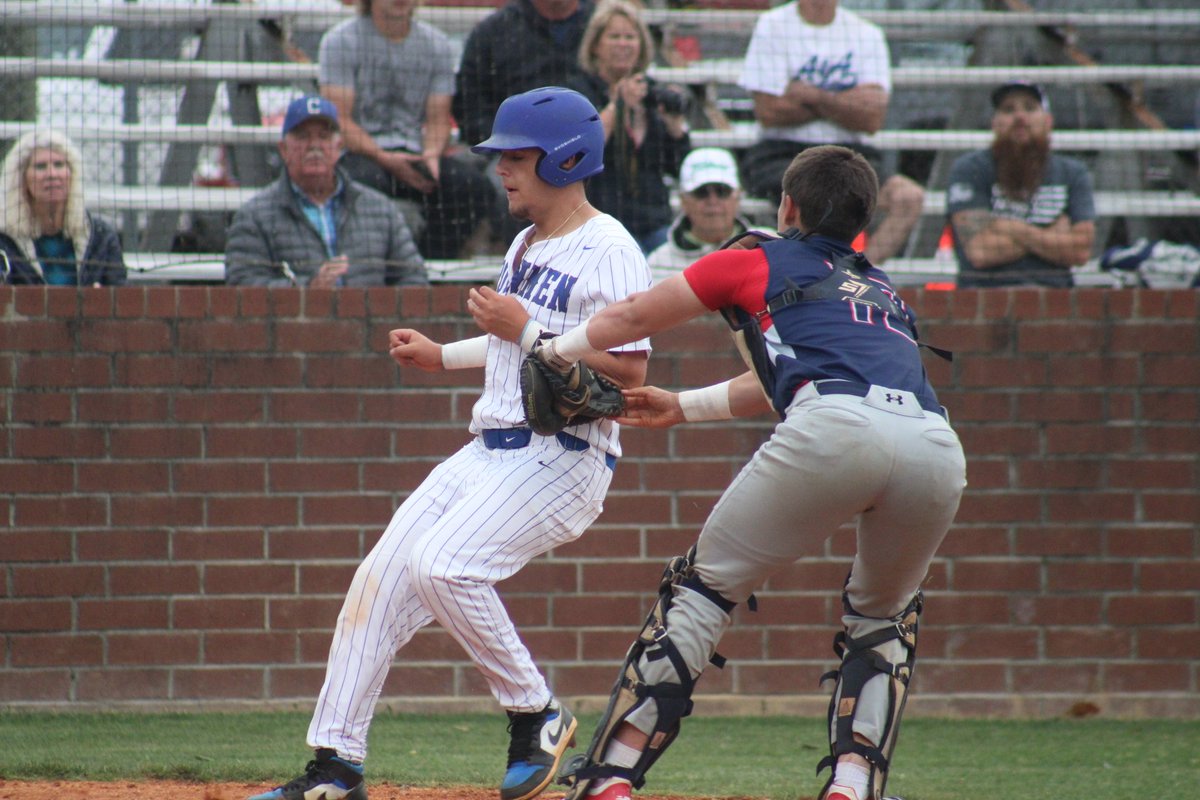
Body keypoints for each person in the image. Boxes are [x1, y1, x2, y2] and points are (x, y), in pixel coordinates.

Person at [245, 87, 651, 800]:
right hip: (489, 448)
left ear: (566, 158)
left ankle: (537, 715)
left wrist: (522, 329)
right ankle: (335, 768)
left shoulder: (609, 246)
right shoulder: (527, 242)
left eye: (518, 157)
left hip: (563, 453)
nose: (502, 169)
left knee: (446, 564)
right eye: (502, 157)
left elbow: (629, 368)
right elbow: (511, 345)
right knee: (378, 582)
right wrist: (444, 355)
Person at [538, 145, 967, 800]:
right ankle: (853, 786)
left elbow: (627, 320)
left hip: (835, 430)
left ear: (787, 207)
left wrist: (551, 349)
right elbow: (796, 373)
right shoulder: (880, 286)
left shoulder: (754, 258)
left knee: (705, 587)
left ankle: (611, 778)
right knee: (883, 615)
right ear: (860, 223)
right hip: (936, 446)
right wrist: (683, 407)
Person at [737, 0, 924, 264]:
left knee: (909, 197)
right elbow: (769, 111)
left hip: (850, 155)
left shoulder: (865, 33)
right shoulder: (772, 26)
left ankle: (856, 272)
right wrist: (844, 103)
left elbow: (871, 118)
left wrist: (811, 96)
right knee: (816, 200)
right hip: (783, 151)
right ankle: (807, 273)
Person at [318, 0, 494, 259]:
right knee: (359, 187)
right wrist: (382, 157)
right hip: (360, 155)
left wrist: (432, 155)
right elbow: (339, 121)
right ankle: (372, 268)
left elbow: (438, 119)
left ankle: (430, 265)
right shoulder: (340, 40)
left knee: (472, 188)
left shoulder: (437, 44)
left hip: (415, 154)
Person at [225, 95, 427, 287]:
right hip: (295, 322)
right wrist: (306, 290)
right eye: (303, 137)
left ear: (339, 147)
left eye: (324, 136)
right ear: (283, 149)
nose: (314, 146)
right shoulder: (254, 216)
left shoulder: (380, 209)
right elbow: (242, 284)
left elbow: (414, 278)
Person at [453, 0, 599, 245]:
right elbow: (468, 106)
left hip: (586, 149)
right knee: (506, 187)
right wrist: (509, 143)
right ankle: (532, 257)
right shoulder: (496, 29)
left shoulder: (599, 21)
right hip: (510, 146)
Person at [565, 0, 690, 254]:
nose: (623, 44)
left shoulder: (652, 92)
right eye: (614, 36)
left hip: (653, 220)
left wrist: (675, 126)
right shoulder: (579, 91)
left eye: (630, 37)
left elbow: (678, 167)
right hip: (600, 220)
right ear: (595, 45)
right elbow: (582, 152)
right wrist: (616, 105)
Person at [946, 81, 1096, 288]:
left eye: (1030, 107)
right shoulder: (970, 169)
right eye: (1008, 110)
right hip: (985, 294)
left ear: (1048, 121)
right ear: (995, 123)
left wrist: (1010, 228)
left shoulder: (1072, 173)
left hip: (1053, 294)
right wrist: (1052, 235)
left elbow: (1080, 251)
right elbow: (980, 252)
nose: (1020, 117)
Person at [0, 129, 126, 286]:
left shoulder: (101, 237)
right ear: (21, 179)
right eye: (40, 166)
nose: (52, 174)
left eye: (59, 165)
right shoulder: (4, 241)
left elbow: (120, 297)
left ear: (72, 174)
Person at [646, 147, 753, 280]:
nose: (713, 201)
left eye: (722, 191)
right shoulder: (658, 262)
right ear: (683, 200)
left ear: (737, 196)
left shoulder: (767, 246)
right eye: (701, 192)